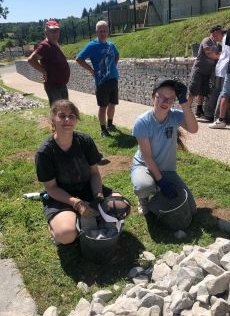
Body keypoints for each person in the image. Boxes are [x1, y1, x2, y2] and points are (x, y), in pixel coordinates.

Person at [35, 99, 126, 245]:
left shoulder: (85, 140)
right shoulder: (45, 152)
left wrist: (97, 195)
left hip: (87, 188)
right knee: (66, 235)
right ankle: (58, 226)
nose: (67, 119)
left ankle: (86, 216)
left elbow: (94, 173)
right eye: (62, 115)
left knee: (121, 207)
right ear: (53, 120)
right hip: (61, 196)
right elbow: (51, 188)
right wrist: (76, 203)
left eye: (71, 115)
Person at [131, 78, 198, 216]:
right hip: (145, 166)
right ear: (153, 96)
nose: (165, 102)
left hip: (167, 169)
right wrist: (161, 181)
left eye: (170, 99)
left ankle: (157, 185)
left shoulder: (174, 116)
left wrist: (184, 101)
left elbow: (193, 128)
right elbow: (148, 157)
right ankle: (143, 197)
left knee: (191, 208)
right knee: (143, 187)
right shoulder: (142, 122)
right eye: (161, 97)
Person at [75, 21, 119, 138]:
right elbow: (79, 59)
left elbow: (117, 54)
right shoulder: (92, 46)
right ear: (96, 32)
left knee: (112, 104)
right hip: (101, 82)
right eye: (100, 31)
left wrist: (113, 67)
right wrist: (91, 70)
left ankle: (110, 124)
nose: (103, 33)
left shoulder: (111, 45)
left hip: (113, 79)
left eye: (105, 31)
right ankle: (103, 129)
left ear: (108, 32)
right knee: (103, 106)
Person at [203, 17, 230, 122]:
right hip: (226, 67)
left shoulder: (226, 37)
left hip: (220, 66)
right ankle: (217, 117)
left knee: (217, 91)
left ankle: (208, 113)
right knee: (223, 93)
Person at [28, 20, 70, 106]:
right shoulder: (45, 46)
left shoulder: (55, 44)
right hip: (54, 87)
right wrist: (44, 72)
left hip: (61, 85)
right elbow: (31, 59)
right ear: (46, 32)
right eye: (51, 31)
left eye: (56, 31)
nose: (55, 34)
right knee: (58, 113)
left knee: (64, 110)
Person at [187, 25, 224, 117]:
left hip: (206, 73)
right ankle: (185, 113)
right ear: (215, 32)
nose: (222, 35)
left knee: (202, 93)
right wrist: (220, 57)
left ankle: (199, 110)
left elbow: (225, 50)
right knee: (192, 92)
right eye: (221, 33)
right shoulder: (207, 40)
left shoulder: (217, 45)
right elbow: (209, 53)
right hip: (198, 71)